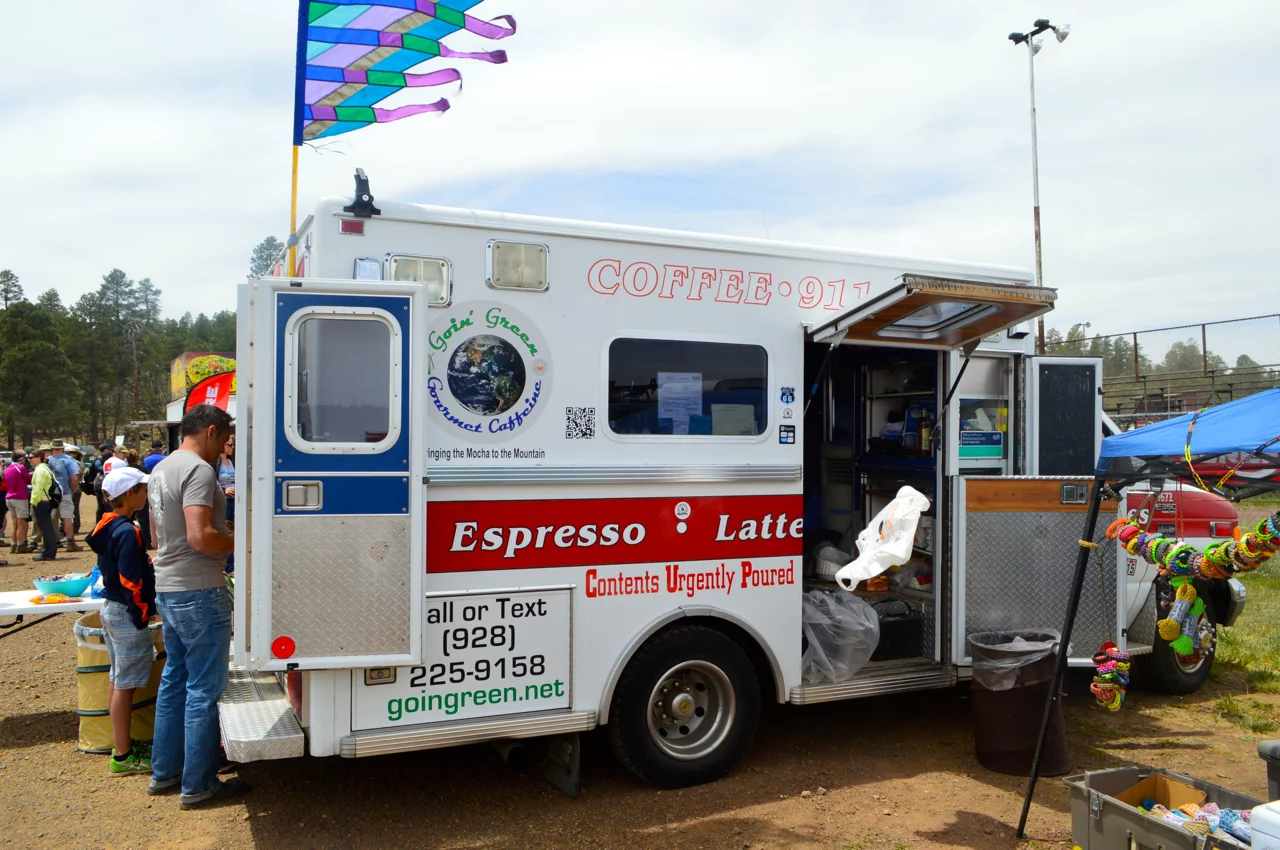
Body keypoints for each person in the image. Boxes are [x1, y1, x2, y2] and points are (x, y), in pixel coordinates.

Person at [148, 405, 246, 808]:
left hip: (169, 587)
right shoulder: (199, 471)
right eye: (224, 441)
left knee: (175, 681)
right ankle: (198, 785)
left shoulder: (161, 468)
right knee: (204, 690)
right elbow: (202, 537)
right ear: (209, 431)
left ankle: (165, 772)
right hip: (199, 588)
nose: (224, 450)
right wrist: (245, 541)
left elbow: (160, 533)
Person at [87, 466, 155, 777]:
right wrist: (144, 613)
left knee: (118, 679)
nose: (145, 492)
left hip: (112, 609)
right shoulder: (128, 531)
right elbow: (131, 580)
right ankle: (124, 755)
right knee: (126, 684)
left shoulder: (109, 524)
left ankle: (122, 745)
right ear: (129, 495)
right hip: (127, 613)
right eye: (142, 488)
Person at [46, 440, 82, 552]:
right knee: (66, 518)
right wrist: (72, 489)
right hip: (65, 492)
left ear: (52, 448)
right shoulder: (69, 460)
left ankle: (52, 542)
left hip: (50, 493)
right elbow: (75, 477)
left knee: (51, 518)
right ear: (62, 448)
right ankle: (70, 542)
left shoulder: (47, 460)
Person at [29, 448, 59, 562]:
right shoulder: (44, 469)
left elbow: (38, 487)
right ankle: (48, 551)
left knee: (45, 528)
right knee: (47, 527)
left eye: (31, 458)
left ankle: (48, 552)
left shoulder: (40, 470)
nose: (29, 460)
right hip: (45, 501)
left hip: (41, 501)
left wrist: (34, 501)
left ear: (38, 458)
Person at [5, 449, 31, 554]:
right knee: (21, 523)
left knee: (14, 523)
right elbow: (28, 480)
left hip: (9, 497)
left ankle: (13, 543)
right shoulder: (20, 467)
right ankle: (20, 545)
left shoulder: (8, 468)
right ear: (21, 459)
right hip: (20, 497)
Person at [215, 435, 235, 574]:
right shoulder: (215, 463)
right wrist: (224, 490)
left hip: (235, 501)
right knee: (225, 530)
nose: (232, 447)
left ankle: (233, 564)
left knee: (234, 530)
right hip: (224, 500)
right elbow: (212, 483)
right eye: (229, 444)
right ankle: (226, 565)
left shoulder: (231, 462)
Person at [88, 444, 114, 522]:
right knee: (101, 506)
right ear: (105, 450)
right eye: (110, 449)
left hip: (104, 484)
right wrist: (109, 469)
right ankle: (99, 522)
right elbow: (98, 468)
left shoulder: (107, 458)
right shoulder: (99, 459)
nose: (111, 451)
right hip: (100, 485)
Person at [67, 445, 86, 535]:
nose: (70, 454)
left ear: (75, 454)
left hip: (74, 488)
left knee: (73, 508)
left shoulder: (75, 463)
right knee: (74, 508)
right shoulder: (79, 462)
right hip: (77, 488)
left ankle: (74, 526)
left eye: (71, 453)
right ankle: (75, 526)